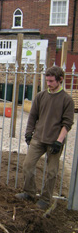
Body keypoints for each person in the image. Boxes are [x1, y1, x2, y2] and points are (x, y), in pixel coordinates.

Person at [15, 65, 74, 210]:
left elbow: (67, 123)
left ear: (60, 80)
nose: (48, 84)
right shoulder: (41, 96)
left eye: (51, 81)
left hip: (54, 141)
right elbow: (33, 116)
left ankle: (46, 199)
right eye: (47, 81)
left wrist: (59, 141)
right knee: (27, 165)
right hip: (39, 138)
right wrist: (29, 133)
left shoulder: (67, 100)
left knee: (52, 172)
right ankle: (29, 193)